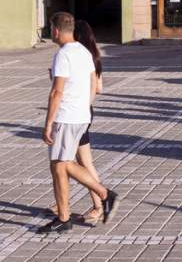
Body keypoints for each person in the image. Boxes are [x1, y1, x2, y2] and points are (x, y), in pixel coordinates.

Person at [38, 12, 117, 235]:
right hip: (82, 115)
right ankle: (64, 216)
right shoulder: (84, 52)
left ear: (55, 30)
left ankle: (103, 194)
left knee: (60, 164)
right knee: (60, 165)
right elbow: (94, 82)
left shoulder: (63, 54)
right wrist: (86, 105)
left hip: (66, 117)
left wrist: (48, 123)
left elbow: (56, 92)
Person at [72, 20, 105, 226]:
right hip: (86, 110)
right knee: (79, 161)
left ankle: (100, 203)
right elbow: (100, 87)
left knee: (71, 162)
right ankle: (65, 202)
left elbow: (97, 87)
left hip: (77, 112)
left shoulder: (79, 58)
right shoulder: (94, 56)